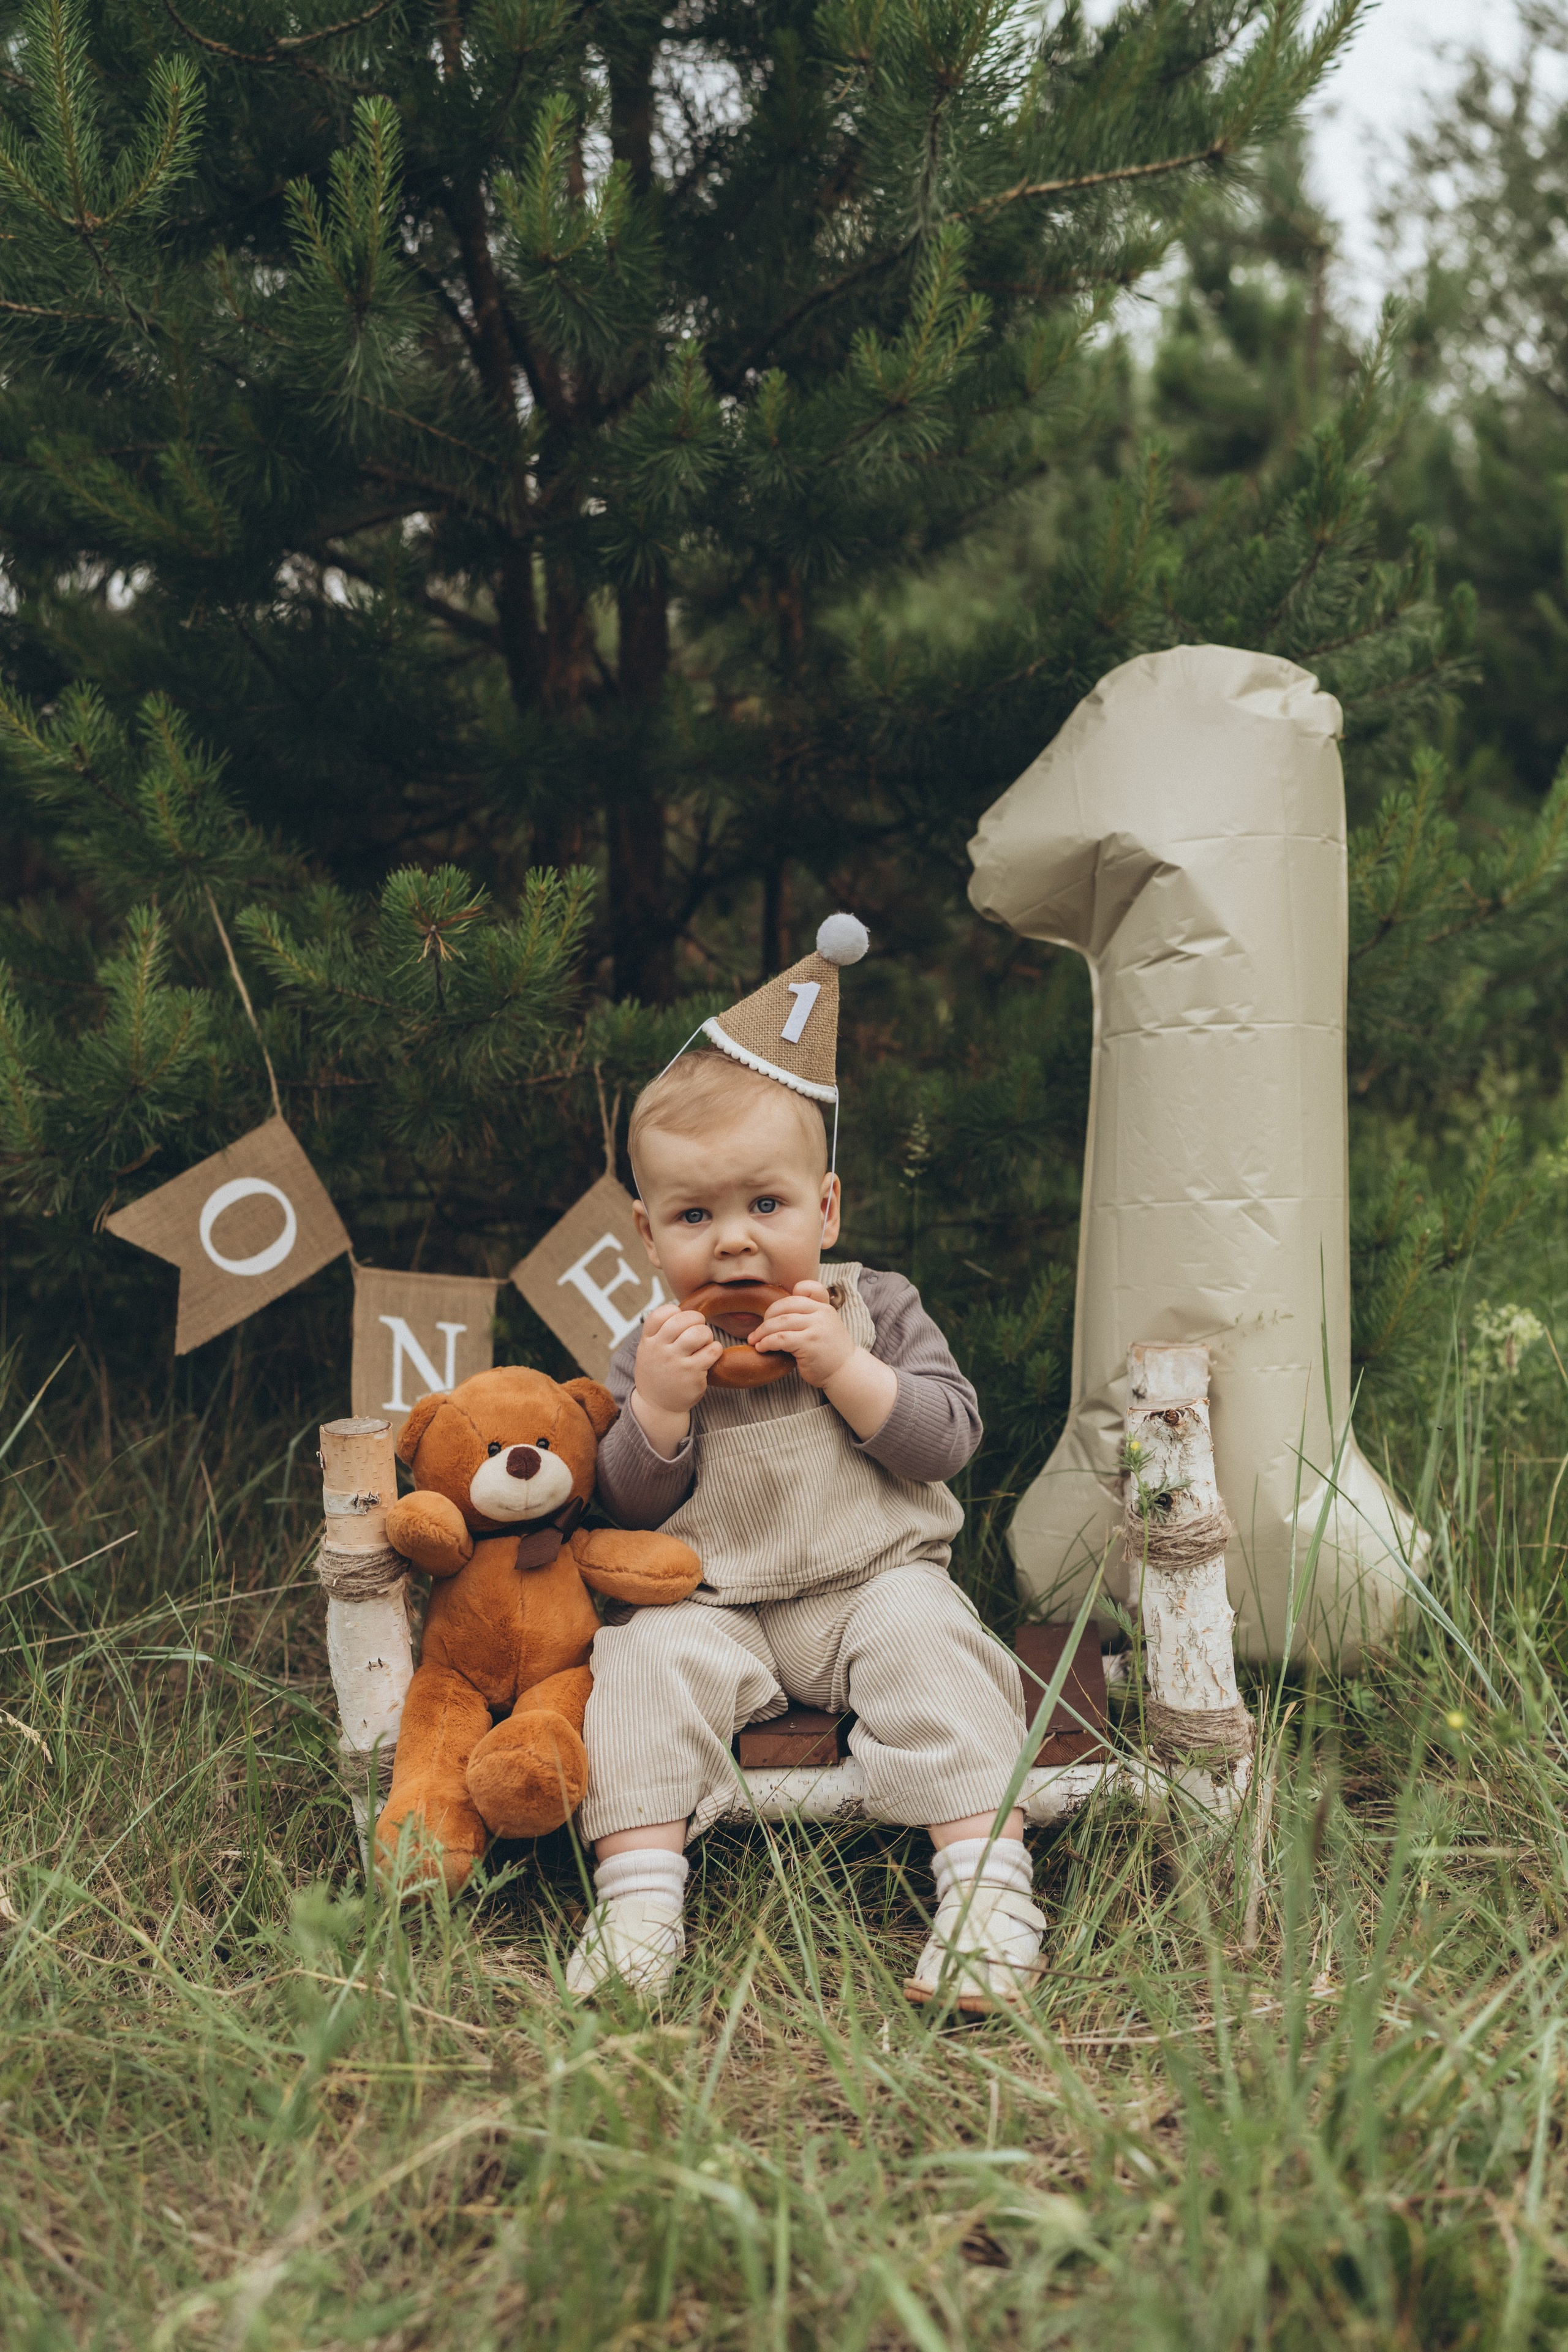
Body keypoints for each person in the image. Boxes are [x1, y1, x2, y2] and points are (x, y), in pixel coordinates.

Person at [562, 918, 1043, 2010]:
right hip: (716, 1602)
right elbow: (625, 1506)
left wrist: (849, 1371)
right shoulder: (655, 1347)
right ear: (648, 1233)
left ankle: (985, 1896)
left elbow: (949, 1441)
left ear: (825, 1208)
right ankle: (637, 1908)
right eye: (695, 1215)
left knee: (936, 1645)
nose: (733, 1242)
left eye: (766, 1206)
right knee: (636, 1668)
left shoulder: (872, 1307)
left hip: (869, 1586)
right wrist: (664, 1415)